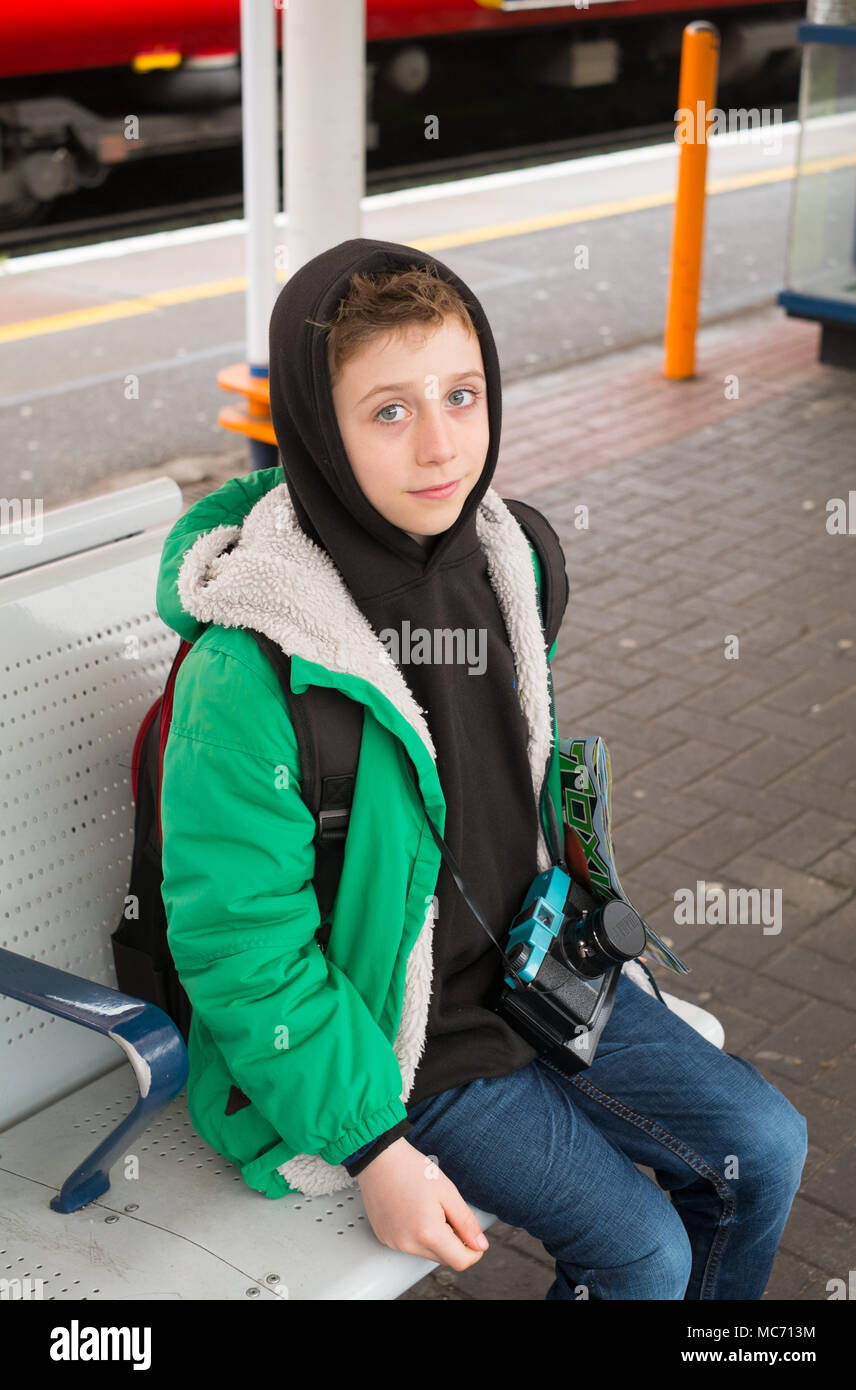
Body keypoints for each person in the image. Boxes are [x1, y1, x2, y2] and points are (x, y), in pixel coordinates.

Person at [158, 236, 807, 1299]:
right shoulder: (251, 669)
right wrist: (371, 1148)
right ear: (319, 432)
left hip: (535, 969)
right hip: (388, 1037)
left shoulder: (508, 561)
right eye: (388, 411)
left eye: (460, 395)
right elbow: (242, 950)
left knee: (764, 1150)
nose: (438, 448)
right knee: (642, 1251)